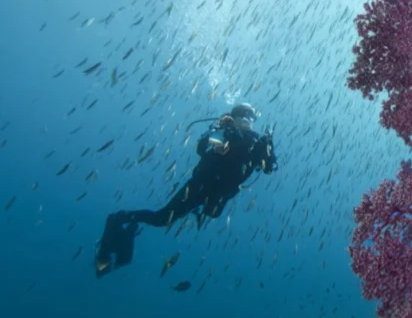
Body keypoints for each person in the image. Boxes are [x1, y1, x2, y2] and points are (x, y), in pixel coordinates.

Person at [94, 102, 278, 277]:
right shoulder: (223, 131)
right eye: (241, 114)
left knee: (211, 213)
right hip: (199, 187)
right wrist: (224, 132)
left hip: (219, 196)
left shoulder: (258, 141)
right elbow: (203, 148)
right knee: (161, 219)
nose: (247, 118)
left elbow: (269, 169)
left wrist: (268, 148)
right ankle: (118, 219)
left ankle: (128, 233)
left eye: (250, 115)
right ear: (233, 115)